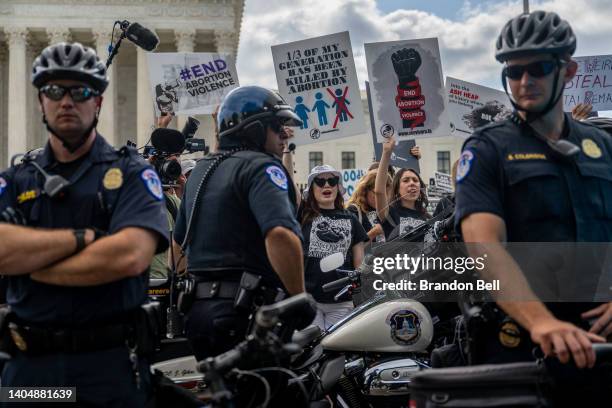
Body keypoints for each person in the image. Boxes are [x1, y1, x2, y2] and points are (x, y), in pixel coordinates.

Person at [454, 10, 612, 406]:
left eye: (539, 68)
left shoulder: (603, 146)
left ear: (569, 70)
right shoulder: (488, 148)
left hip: (600, 343)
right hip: (523, 343)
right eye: (513, 71)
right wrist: (541, 322)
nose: (525, 81)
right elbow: (482, 243)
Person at [0, 42, 168, 406]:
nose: (66, 101)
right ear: (41, 100)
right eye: (54, 90)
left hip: (106, 367)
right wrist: (87, 238)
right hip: (32, 370)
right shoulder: (17, 179)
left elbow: (129, 257)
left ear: (98, 102)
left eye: (80, 91)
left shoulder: (131, 172)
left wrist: (30, 264)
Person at [172, 86, 306, 360]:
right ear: (254, 129)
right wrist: (298, 298)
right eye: (276, 126)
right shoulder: (261, 167)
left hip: (198, 314)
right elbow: (280, 235)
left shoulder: (201, 170)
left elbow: (178, 245)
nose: (284, 133)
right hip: (247, 316)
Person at [300, 165, 368, 329]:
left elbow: (360, 262)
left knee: (336, 352)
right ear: (311, 189)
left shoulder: (352, 219)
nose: (327, 185)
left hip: (342, 301)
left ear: (338, 186)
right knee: (312, 351)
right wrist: (286, 150)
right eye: (320, 181)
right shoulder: (302, 215)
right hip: (309, 299)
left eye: (332, 180)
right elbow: (287, 183)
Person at [374, 135, 431, 240]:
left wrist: (414, 161)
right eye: (405, 180)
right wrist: (386, 153)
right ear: (396, 188)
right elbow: (379, 192)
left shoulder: (427, 217)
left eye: (415, 180)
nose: (412, 183)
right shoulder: (390, 213)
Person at [347, 169, 392, 243]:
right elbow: (347, 247)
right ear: (364, 190)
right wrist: (373, 233)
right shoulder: (354, 211)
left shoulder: (390, 212)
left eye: (387, 194)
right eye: (376, 193)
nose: (383, 198)